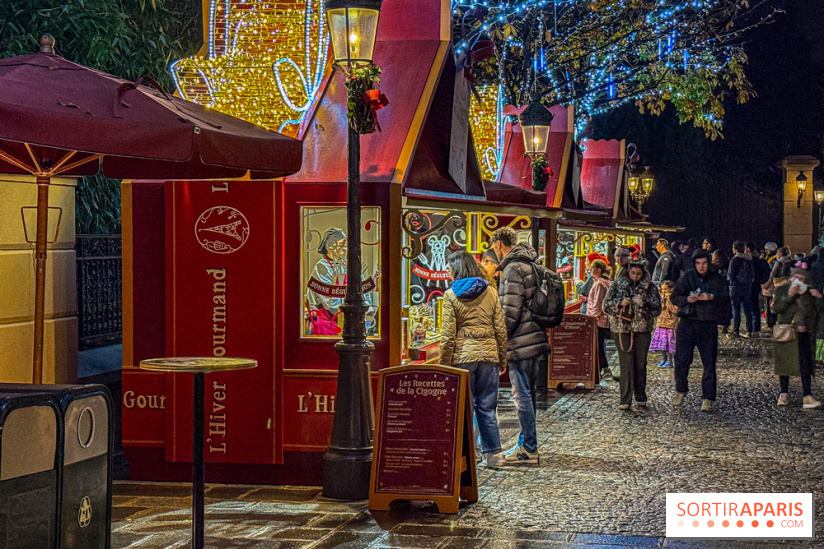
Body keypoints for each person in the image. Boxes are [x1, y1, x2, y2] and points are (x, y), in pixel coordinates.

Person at [440, 251, 509, 467]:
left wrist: (444, 365)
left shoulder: (451, 295)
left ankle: (468, 455)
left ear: (457, 269)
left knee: (463, 408)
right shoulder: (491, 292)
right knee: (487, 407)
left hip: (462, 358)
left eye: (450, 269)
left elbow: (448, 335)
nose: (448, 272)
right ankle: (494, 455)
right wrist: (502, 359)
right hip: (488, 357)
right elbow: (500, 329)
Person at [492, 226, 549, 464]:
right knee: (529, 392)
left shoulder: (512, 268)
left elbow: (510, 311)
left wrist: (500, 340)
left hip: (520, 341)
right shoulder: (531, 263)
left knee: (521, 394)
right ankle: (527, 442)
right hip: (535, 336)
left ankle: (529, 448)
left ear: (498, 244)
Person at [671, 250, 731, 412]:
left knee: (709, 362)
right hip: (688, 322)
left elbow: (725, 298)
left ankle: (708, 397)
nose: (701, 267)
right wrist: (686, 299)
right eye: (698, 263)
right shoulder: (688, 277)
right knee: (681, 359)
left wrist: (711, 297)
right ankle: (681, 389)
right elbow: (674, 296)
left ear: (708, 263)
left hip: (708, 324)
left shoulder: (716, 278)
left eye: (704, 263)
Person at [603, 262, 661, 409]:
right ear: (628, 272)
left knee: (641, 363)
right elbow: (606, 305)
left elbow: (657, 309)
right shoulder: (617, 285)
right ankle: (625, 399)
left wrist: (643, 303)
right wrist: (619, 304)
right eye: (633, 273)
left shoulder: (650, 287)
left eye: (638, 273)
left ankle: (640, 395)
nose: (635, 276)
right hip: (622, 329)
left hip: (642, 329)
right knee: (626, 363)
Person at [772, 262, 822, 409]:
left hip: (804, 333)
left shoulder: (809, 292)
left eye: (802, 279)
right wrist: (789, 295)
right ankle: (784, 393)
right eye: (796, 278)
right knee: (785, 364)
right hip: (787, 331)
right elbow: (777, 308)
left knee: (806, 365)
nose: (799, 281)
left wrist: (819, 297)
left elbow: (818, 310)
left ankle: (807, 395)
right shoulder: (782, 289)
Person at [585, 259, 613, 379]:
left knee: (598, 345)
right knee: (599, 344)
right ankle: (602, 368)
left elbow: (598, 303)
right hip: (601, 319)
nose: (590, 270)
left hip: (597, 320)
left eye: (591, 268)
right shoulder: (605, 282)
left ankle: (603, 367)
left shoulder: (600, 284)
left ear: (598, 270)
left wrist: (591, 317)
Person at [727, 240, 756, 338]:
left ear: (735, 249)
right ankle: (749, 330)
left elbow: (731, 275)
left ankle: (736, 331)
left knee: (736, 310)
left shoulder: (734, 260)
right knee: (747, 310)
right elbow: (752, 274)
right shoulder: (749, 259)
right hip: (746, 287)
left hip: (735, 287)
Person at [763, 246, 793, 328]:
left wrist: (767, 284)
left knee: (775, 303)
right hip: (788, 284)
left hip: (778, 284)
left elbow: (772, 274)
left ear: (780, 253)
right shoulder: (790, 262)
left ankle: (772, 323)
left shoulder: (778, 262)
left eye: (777, 252)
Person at [650, 280, 678, 368]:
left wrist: (669, 300)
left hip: (671, 324)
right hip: (661, 323)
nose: (664, 292)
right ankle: (663, 358)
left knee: (669, 344)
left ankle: (670, 359)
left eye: (666, 289)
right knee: (661, 343)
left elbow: (675, 310)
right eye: (662, 290)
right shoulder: (660, 298)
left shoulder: (674, 298)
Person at [746, 241, 771, 336]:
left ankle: (751, 328)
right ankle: (756, 328)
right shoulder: (759, 260)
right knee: (755, 306)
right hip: (757, 285)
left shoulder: (749, 260)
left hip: (751, 285)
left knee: (750, 307)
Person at [712, 249, 731, 333]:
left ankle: (717, 324)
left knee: (717, 308)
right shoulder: (727, 264)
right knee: (726, 308)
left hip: (717, 290)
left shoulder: (713, 266)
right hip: (726, 289)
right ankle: (725, 326)